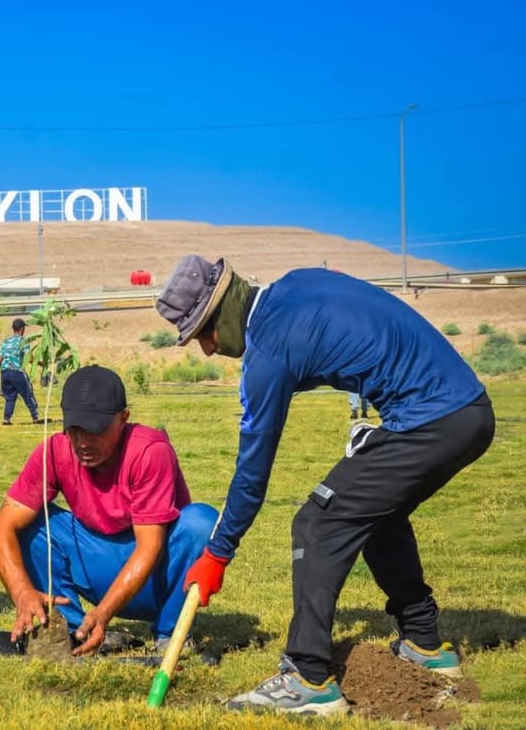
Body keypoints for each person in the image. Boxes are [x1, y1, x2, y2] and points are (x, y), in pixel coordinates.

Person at [155, 256, 495, 716]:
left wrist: (217, 553)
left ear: (222, 314)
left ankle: (307, 675)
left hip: (430, 418)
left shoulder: (268, 352)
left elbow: (252, 475)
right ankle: (425, 645)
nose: (209, 352)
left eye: (203, 336)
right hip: (469, 411)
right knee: (374, 511)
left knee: (317, 523)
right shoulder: (296, 283)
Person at [0, 365, 219, 656]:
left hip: (156, 576)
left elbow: (150, 548)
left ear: (123, 419)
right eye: (74, 430)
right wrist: (22, 592)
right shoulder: (54, 451)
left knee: (202, 522)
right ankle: (74, 632)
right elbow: (0, 529)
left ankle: (169, 632)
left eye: (95, 430)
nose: (83, 442)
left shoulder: (149, 450)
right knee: (28, 525)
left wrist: (104, 613)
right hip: (98, 564)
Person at [0, 318, 42, 425]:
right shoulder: (23, 341)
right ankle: (35, 417)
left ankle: (6, 419)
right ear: (22, 329)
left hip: (4, 373)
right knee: (28, 393)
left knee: (10, 398)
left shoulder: (6, 341)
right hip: (17, 372)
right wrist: (40, 363)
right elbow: (29, 358)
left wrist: (5, 369)